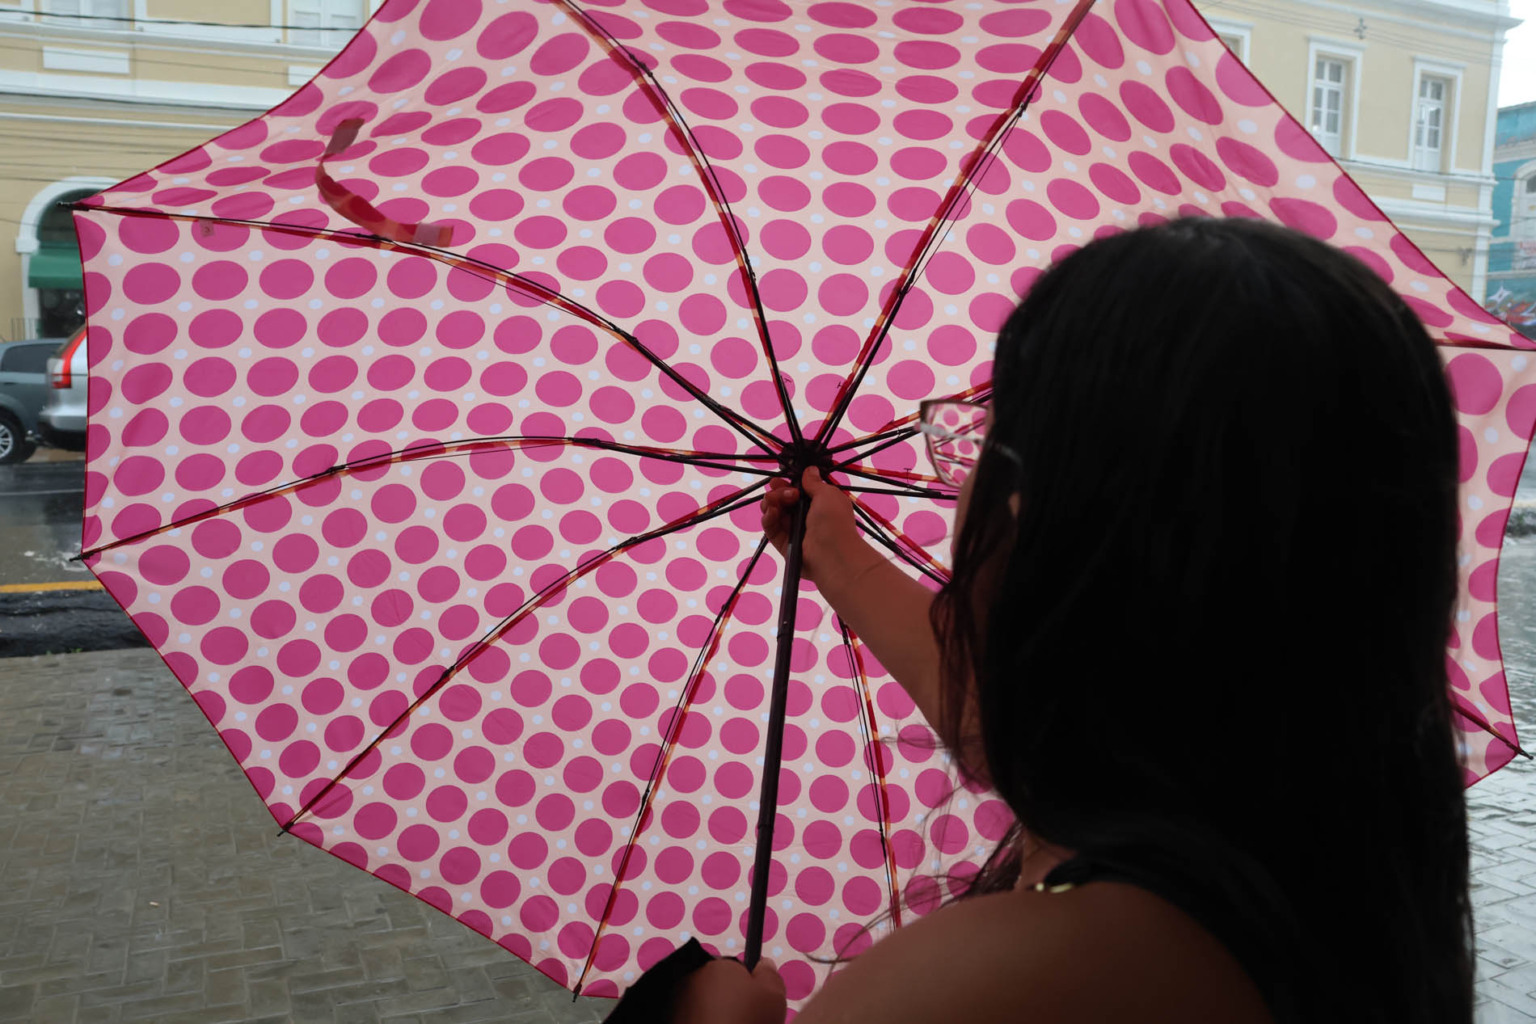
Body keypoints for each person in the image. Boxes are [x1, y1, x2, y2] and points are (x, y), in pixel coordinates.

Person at [671, 217, 1473, 1023]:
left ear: (1061, 513)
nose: (967, 463)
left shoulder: (995, 984)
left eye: (995, 426)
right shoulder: (1308, 863)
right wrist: (837, 558)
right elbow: (994, 717)